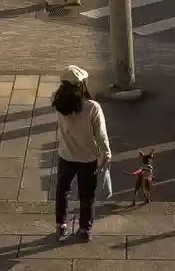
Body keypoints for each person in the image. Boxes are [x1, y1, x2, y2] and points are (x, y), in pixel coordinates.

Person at [52, 65, 111, 242]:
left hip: (66, 155)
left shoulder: (58, 104)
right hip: (88, 158)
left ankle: (61, 226)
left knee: (63, 191)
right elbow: (101, 135)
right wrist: (106, 153)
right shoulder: (92, 107)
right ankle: (84, 228)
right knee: (87, 195)